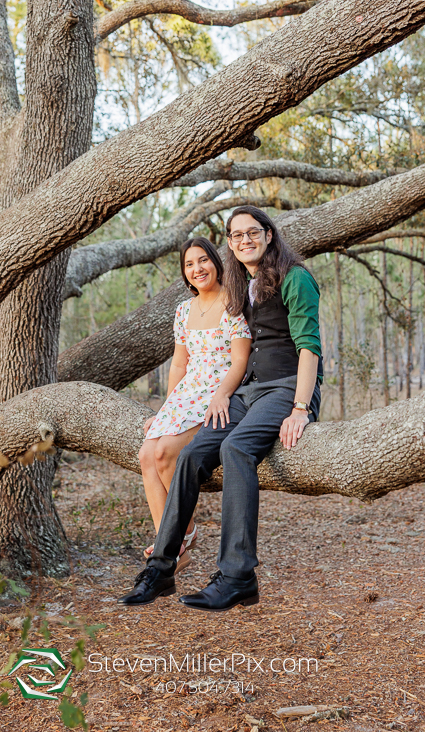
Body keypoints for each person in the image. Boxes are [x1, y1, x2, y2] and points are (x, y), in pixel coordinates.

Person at [119, 206, 323, 610]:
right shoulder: (242, 285)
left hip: (284, 389)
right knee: (192, 454)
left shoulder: (295, 278)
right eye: (236, 235)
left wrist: (301, 407)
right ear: (229, 243)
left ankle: (237, 577)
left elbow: (308, 346)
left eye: (252, 232)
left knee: (235, 449)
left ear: (269, 234)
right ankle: (161, 569)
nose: (244, 240)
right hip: (248, 392)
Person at [138, 236, 252, 573]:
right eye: (189, 264)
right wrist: (166, 409)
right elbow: (178, 364)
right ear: (185, 273)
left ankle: (178, 538)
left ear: (216, 263)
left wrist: (222, 395)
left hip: (217, 393)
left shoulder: (234, 303)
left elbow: (241, 362)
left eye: (202, 260)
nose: (197, 268)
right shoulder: (183, 311)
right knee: (147, 453)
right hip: (187, 392)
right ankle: (173, 542)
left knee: (164, 453)